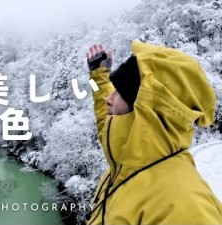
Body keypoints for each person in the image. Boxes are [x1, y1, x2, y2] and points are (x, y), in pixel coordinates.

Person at [85, 40, 222, 225]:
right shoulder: (130, 157)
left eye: (121, 93)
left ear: (149, 111)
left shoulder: (183, 205)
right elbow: (107, 124)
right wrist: (99, 76)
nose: (109, 99)